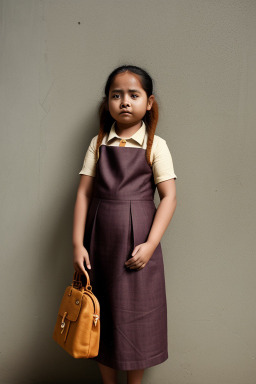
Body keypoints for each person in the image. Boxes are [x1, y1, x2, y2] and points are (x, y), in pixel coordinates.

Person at [72, 65, 177, 384]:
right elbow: (83, 193)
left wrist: (150, 245)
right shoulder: (98, 143)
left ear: (149, 102)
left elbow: (169, 197)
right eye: (116, 95)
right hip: (99, 245)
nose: (125, 102)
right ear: (107, 104)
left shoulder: (155, 145)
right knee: (99, 316)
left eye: (134, 95)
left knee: (137, 320)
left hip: (139, 247)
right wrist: (77, 244)